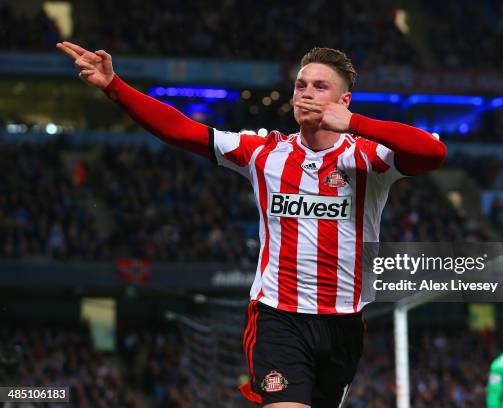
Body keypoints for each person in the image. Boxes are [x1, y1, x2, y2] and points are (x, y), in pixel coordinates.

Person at [57, 41, 446, 407]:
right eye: (300, 85)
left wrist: (355, 122)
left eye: (320, 86)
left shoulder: (368, 159)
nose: (305, 93)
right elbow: (180, 130)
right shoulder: (264, 152)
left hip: (344, 323)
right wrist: (114, 86)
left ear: (343, 100)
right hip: (278, 318)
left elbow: (433, 153)